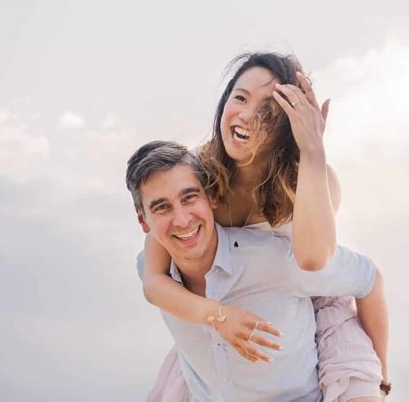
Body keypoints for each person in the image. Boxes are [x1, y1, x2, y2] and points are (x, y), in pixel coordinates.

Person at [136, 53, 390, 401]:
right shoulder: (199, 174)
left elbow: (314, 261)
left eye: (268, 111)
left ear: (288, 124)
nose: (246, 116)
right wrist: (218, 316)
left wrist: (313, 148)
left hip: (312, 308)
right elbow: (153, 273)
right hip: (233, 317)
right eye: (240, 98)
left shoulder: (313, 179)